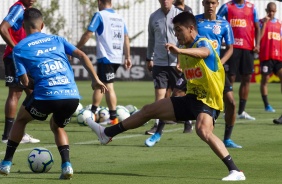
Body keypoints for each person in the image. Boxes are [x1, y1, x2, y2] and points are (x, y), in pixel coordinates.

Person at [87, 12, 246, 181]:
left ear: (191, 29)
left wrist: (179, 51)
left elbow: (205, 52)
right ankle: (107, 133)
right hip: (191, 99)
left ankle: (235, 171)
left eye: (179, 30)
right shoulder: (184, 52)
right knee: (149, 110)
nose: (176, 34)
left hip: (208, 101)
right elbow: (189, 77)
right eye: (174, 30)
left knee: (202, 130)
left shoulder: (203, 43)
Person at [0, 8, 107, 179]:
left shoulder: (18, 49)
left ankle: (5, 163)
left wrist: (37, 82)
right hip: (72, 95)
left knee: (21, 119)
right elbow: (81, 54)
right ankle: (67, 166)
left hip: (46, 96)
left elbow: (26, 82)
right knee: (57, 126)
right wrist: (95, 79)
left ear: (22, 26)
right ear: (42, 25)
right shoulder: (57, 39)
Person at [145, 0, 242, 148]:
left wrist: (220, 63)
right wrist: (179, 60)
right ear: (203, 3)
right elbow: (182, 41)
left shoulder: (224, 24)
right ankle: (158, 132)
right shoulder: (195, 21)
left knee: (231, 102)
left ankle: (227, 139)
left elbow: (230, 48)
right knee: (175, 95)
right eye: (208, 3)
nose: (210, 6)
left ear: (217, 4)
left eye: (213, 3)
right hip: (193, 67)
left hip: (213, 71)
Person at [76, 0, 131, 125]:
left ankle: (110, 117)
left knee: (106, 86)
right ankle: (95, 113)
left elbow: (88, 33)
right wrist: (127, 56)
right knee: (102, 84)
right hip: (117, 57)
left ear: (100, 2)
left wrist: (76, 48)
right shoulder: (119, 17)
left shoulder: (100, 15)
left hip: (106, 57)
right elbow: (126, 37)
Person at [0, 0, 40, 144]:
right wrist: (16, 48)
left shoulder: (25, 9)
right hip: (14, 57)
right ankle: (8, 135)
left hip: (24, 57)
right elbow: (3, 28)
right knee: (15, 94)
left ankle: (18, 132)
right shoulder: (18, 8)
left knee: (33, 94)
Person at [144, 0, 184, 135]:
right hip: (159, 63)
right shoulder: (153, 16)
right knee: (159, 96)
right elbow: (151, 39)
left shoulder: (180, 15)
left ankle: (188, 121)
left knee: (179, 95)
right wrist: (149, 57)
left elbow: (185, 39)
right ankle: (156, 125)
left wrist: (181, 59)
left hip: (176, 64)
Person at [217, 0, 260, 120]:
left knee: (246, 78)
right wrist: (221, 39)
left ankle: (241, 111)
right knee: (230, 78)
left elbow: (257, 27)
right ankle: (227, 109)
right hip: (232, 47)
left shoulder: (252, 7)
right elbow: (217, 22)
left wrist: (257, 44)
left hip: (247, 48)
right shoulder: (227, 7)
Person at [259, 2, 282, 112]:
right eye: (269, 11)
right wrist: (265, 23)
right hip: (266, 56)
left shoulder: (279, 24)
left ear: (276, 11)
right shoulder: (261, 22)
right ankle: (267, 105)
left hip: (278, 57)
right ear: (266, 10)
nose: (271, 13)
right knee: (265, 80)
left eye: (273, 11)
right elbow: (260, 37)